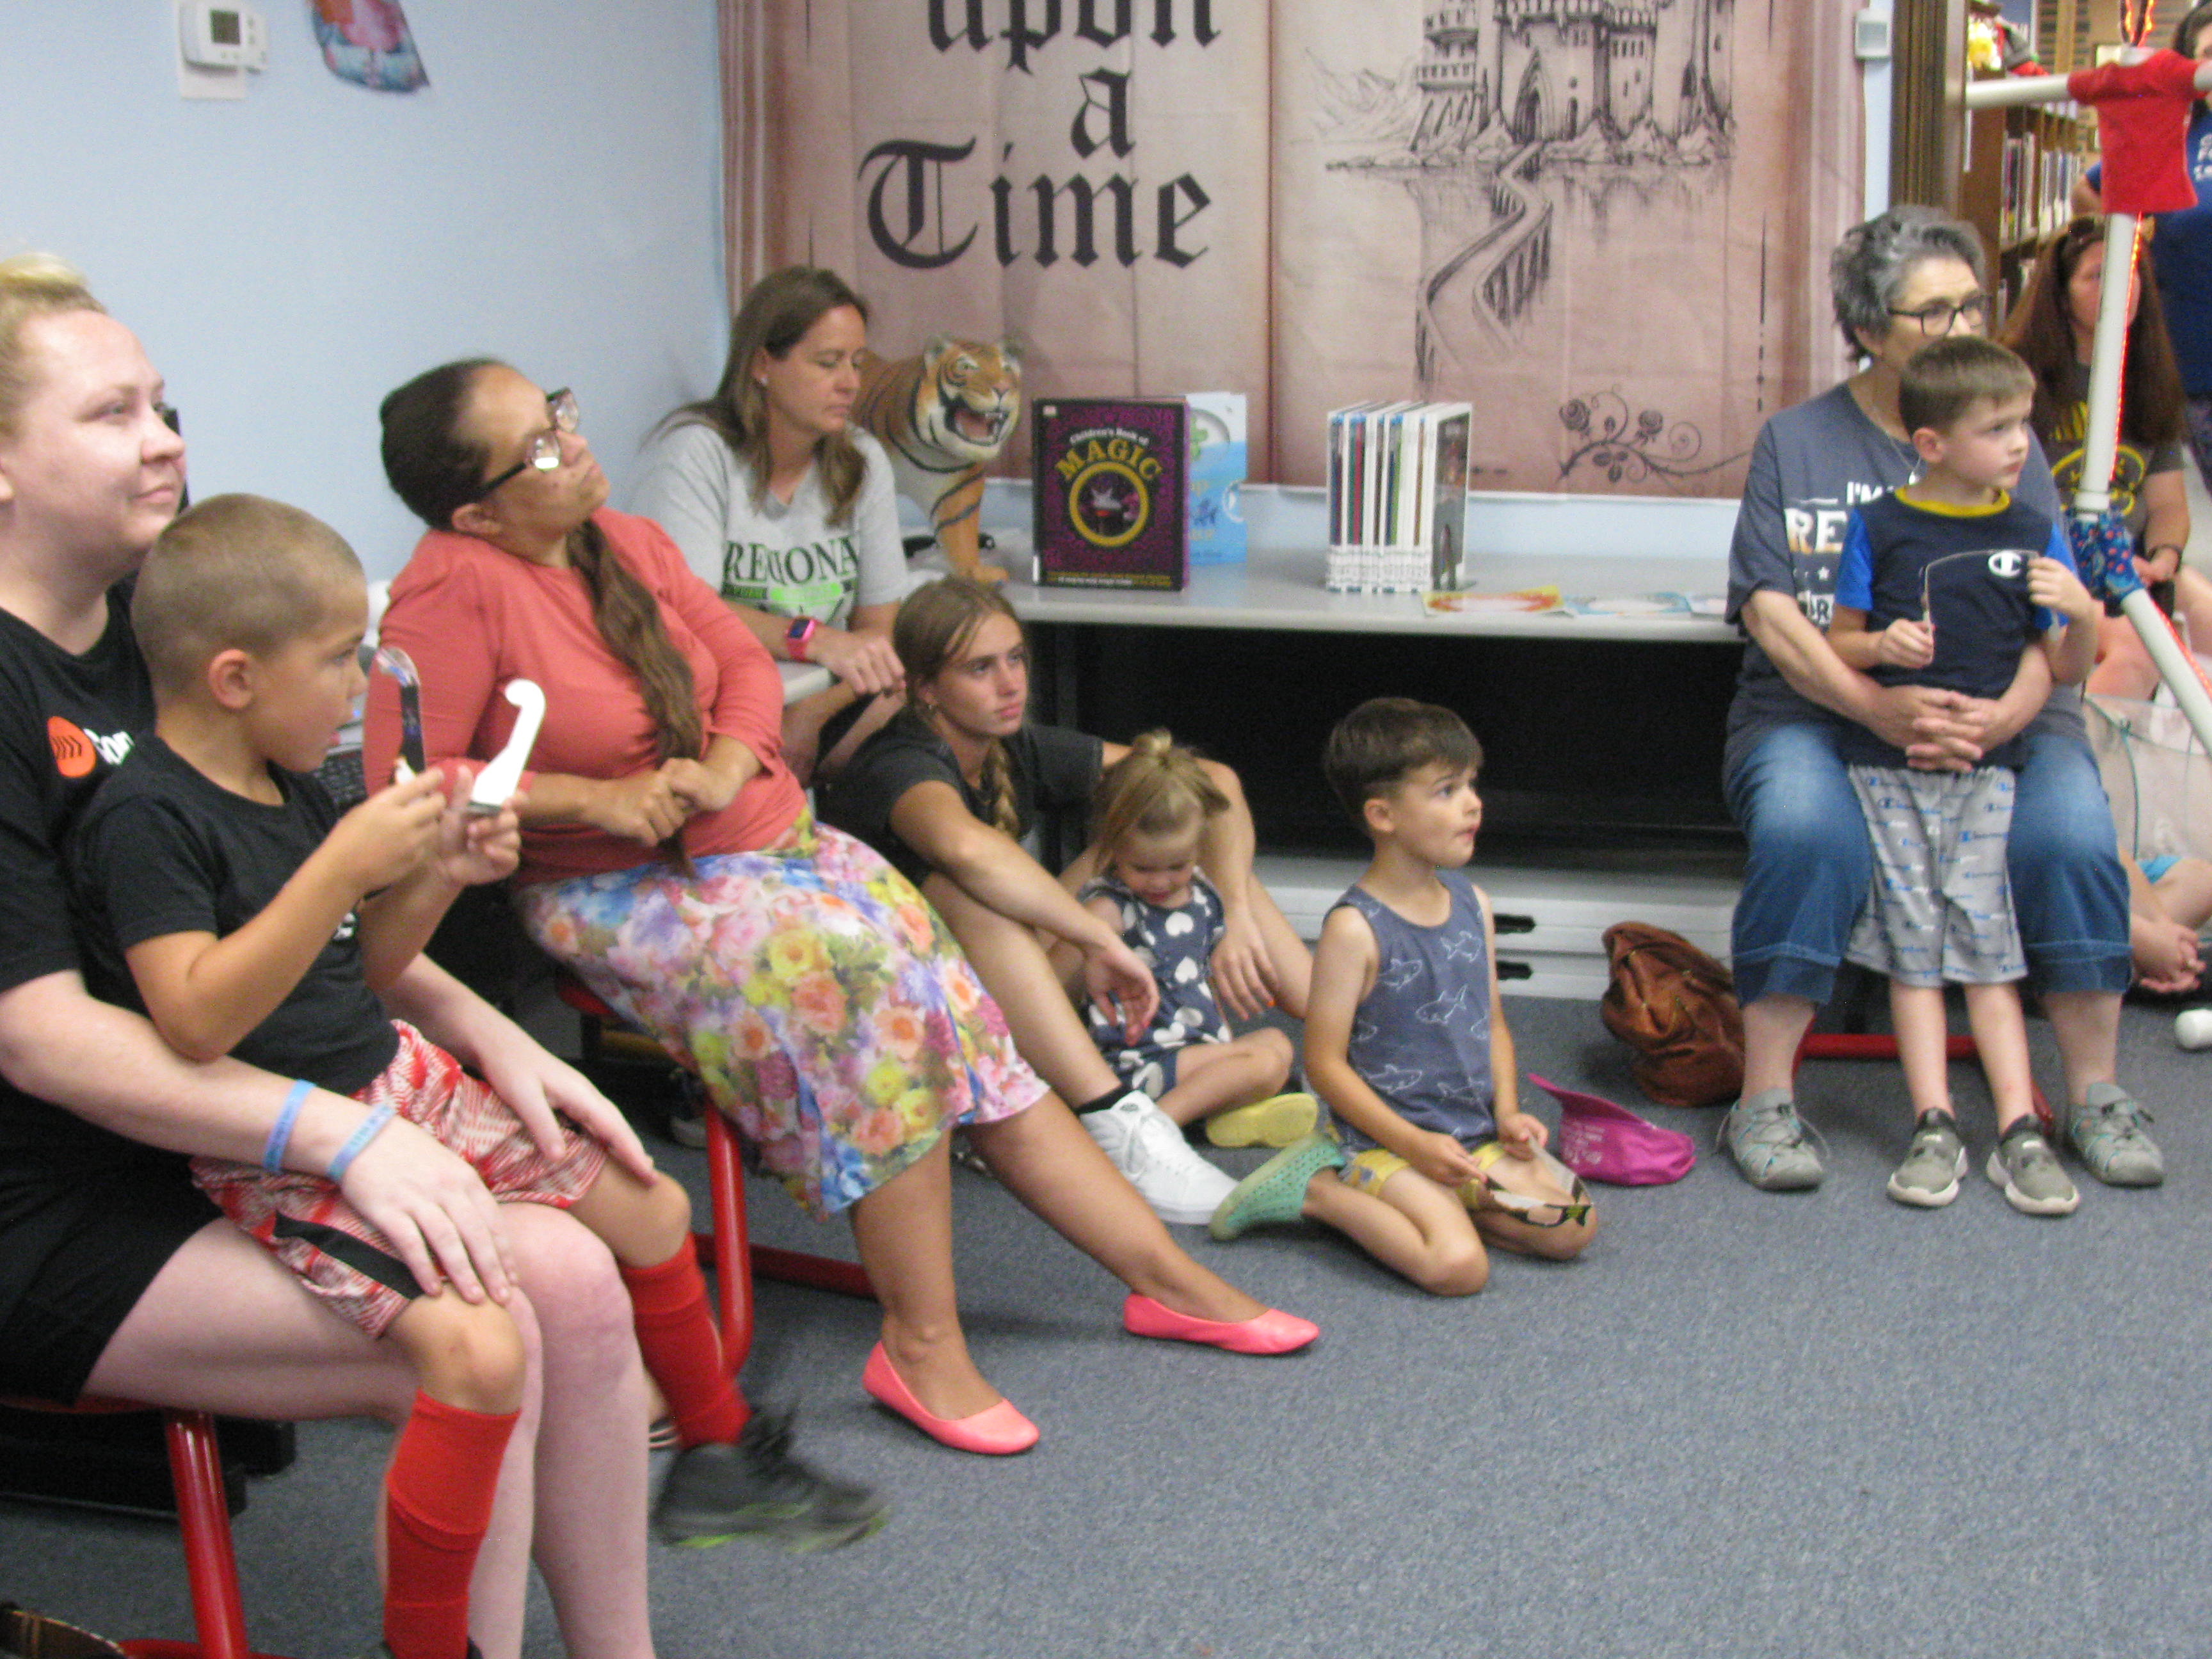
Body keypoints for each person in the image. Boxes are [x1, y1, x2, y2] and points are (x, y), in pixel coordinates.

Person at [368, 358, 1315, 1459]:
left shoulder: (622, 541)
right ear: (477, 512)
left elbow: (739, 662)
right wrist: (597, 799)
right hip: (622, 887)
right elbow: (413, 782)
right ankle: (921, 1344)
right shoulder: (448, 593)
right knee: (872, 1001)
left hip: (771, 843)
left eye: (559, 414)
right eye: (537, 446)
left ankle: (1166, 1277)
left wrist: (727, 766)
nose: (571, 443)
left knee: (966, 1018)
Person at [65, 492, 883, 1647]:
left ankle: (716, 1455)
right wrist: (339, 867)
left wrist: (443, 870)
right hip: (283, 1142)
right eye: (339, 660)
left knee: (649, 1205)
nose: (361, 686)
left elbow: (370, 963)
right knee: (475, 1349)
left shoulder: (293, 785)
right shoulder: (145, 814)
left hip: (395, 1075)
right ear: (235, 678)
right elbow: (195, 1019)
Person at [0, 257, 659, 1659]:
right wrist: (347, 1137)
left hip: (218, 1127)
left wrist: (489, 1030)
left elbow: (300, 896)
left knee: (578, 1281)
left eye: (162, 404)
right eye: (113, 415)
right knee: (484, 1329)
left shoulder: (170, 619)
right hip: (54, 1198)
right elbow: (41, 1035)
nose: (164, 440)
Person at [1719, 205, 2159, 1198]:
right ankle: (1764, 1099)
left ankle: (2096, 1092)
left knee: (2071, 834)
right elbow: (1772, 612)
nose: (1963, 329)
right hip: (1819, 709)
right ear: (1869, 330)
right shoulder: (1797, 442)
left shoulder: (2004, 437)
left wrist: (2008, 714)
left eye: (1972, 306)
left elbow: (2052, 616)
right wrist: (1874, 707)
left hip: (2005, 706)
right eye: (1935, 313)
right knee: (1806, 830)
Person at [822, 577, 1315, 1226]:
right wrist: (1096, 936)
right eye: (980, 668)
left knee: (1167, 837)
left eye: (1015, 659)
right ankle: (1120, 1123)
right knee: (980, 890)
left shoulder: (1010, 745)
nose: (1010, 684)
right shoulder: (900, 760)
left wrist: (1236, 918)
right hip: (915, 1002)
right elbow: (966, 850)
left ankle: (1346, 1047)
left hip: (1012, 981)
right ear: (925, 688)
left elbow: (1209, 783)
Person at [1823, 339, 2102, 1213]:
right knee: (1914, 950)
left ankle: (2018, 1129)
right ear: (1933, 444)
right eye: (1997, 429)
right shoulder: (1880, 524)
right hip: (1893, 765)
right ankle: (1934, 1123)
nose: (2021, 444)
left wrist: (2085, 613)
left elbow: (2069, 666)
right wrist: (1884, 646)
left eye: (2024, 424)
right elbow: (1839, 642)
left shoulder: (2035, 529)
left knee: (1987, 946)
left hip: (1987, 769)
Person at [1207, 699, 1596, 1290]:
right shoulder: (1354, 929)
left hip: (1472, 1135)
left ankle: (1441, 1203)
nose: (1473, 803)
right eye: (1446, 790)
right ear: (1383, 815)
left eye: (1471, 784)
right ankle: (1318, 1190)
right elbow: (1324, 1065)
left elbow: (1492, 1025)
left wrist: (1508, 1114)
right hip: (1383, 1142)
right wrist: (1414, 1144)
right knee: (1459, 1269)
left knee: (1574, 1227)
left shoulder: (1475, 905)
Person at [629, 267, 904, 783]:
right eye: (828, 363)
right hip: (714, 707)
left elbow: (877, 634)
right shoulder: (695, 452)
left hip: (820, 703)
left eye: (857, 363)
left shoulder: (863, 458)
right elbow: (685, 611)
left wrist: (811, 714)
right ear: (762, 364)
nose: (849, 383)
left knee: (931, 700)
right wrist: (812, 639)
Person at [2000, 214, 2212, 700]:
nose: (2122, 287)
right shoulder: (2016, 376)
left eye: (2131, 272)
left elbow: (2168, 505)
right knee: (2142, 653)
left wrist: (2163, 558)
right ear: (2061, 294)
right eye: (2098, 275)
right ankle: (2071, 740)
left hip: (2131, 564)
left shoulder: (2149, 374)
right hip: (2050, 566)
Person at [1073, 731, 1315, 1148]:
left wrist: (1223, 1043)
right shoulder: (1109, 908)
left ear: (1199, 847)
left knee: (1277, 1045)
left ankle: (1214, 1113)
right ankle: (1148, 1132)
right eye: (1143, 868)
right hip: (1139, 1060)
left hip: (1189, 1049)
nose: (1161, 882)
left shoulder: (1204, 898)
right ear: (1113, 849)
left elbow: (1202, 979)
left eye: (1177, 866)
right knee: (1266, 1060)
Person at [2075, 2, 2212, 498]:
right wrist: (2133, 254)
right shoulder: (2177, 131)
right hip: (2196, 358)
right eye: (2209, 54)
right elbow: (2090, 190)